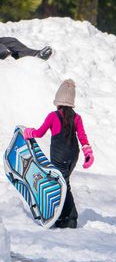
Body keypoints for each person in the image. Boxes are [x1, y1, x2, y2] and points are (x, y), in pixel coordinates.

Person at [23, 79, 94, 228]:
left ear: (58, 99)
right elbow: (82, 137)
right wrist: (88, 153)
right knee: (64, 183)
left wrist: (29, 132)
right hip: (73, 155)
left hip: (59, 156)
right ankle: (65, 217)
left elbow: (40, 133)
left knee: (61, 185)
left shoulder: (53, 116)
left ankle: (69, 217)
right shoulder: (77, 117)